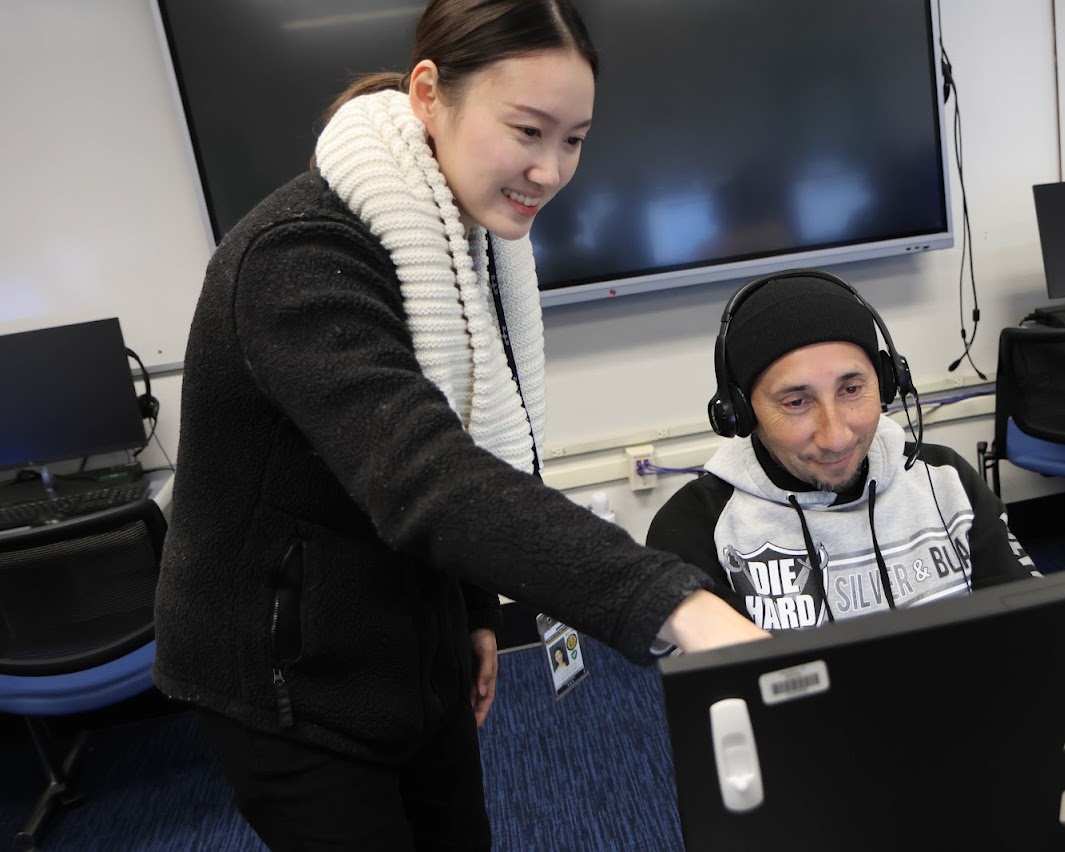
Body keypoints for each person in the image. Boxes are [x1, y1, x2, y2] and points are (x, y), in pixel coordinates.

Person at [152, 2, 766, 849]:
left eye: (575, 139)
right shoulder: (296, 257)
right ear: (429, 92)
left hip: (412, 632)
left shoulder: (471, 239)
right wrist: (675, 603)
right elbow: (423, 470)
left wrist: (473, 611)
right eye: (527, 130)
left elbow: (477, 425)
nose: (550, 170)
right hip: (287, 675)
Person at [647, 271, 1038, 632]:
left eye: (851, 390)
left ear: (886, 383)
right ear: (742, 413)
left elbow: (1032, 627)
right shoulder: (695, 528)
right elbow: (717, 695)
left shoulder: (946, 479)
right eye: (796, 402)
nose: (836, 437)